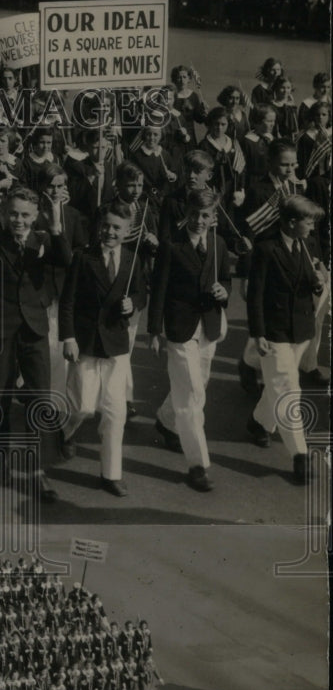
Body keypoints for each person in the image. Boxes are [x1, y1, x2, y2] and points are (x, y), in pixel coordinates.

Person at [0, 187, 72, 501]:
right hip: (2, 326)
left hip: (34, 329)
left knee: (40, 397)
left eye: (25, 215)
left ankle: (38, 471)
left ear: (36, 216)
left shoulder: (43, 241)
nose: (18, 220)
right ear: (5, 213)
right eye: (13, 213)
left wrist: (56, 226)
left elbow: (65, 260)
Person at [148, 188, 232, 492]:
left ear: (214, 217)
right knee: (193, 394)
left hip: (209, 326)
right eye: (194, 213)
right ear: (187, 212)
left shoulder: (219, 244)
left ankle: (166, 420)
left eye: (205, 215)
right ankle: (198, 465)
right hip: (180, 328)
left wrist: (225, 293)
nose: (199, 220)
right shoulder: (172, 246)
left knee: (200, 383)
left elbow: (226, 279)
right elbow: (158, 289)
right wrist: (154, 330)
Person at [59, 204, 144, 497]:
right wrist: (68, 337)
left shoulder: (132, 259)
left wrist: (133, 303)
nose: (110, 232)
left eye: (117, 228)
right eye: (106, 226)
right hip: (86, 342)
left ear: (128, 231)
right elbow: (67, 301)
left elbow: (140, 292)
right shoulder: (84, 257)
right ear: (100, 227)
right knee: (82, 405)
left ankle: (110, 474)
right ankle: (63, 432)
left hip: (117, 346)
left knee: (114, 410)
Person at [246, 194, 326, 484]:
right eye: (308, 222)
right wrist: (258, 333)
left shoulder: (305, 245)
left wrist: (317, 283)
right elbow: (255, 296)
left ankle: (258, 422)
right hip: (275, 331)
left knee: (280, 383)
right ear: (292, 223)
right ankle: (300, 454)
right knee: (289, 388)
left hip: (300, 330)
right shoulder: (266, 250)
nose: (312, 228)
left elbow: (306, 284)